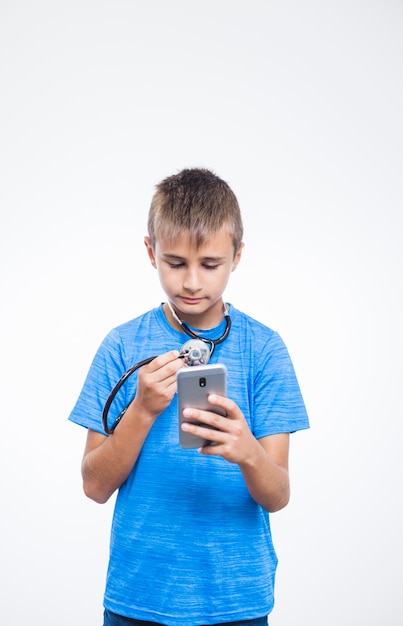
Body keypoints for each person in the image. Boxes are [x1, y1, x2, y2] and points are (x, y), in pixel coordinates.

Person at [68, 168, 309, 626]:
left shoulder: (265, 350)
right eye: (175, 263)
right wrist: (141, 410)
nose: (192, 282)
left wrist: (249, 454)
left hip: (235, 599)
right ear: (150, 251)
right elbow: (94, 486)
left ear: (237, 255)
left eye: (210, 264)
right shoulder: (121, 346)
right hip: (139, 597)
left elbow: (278, 495)